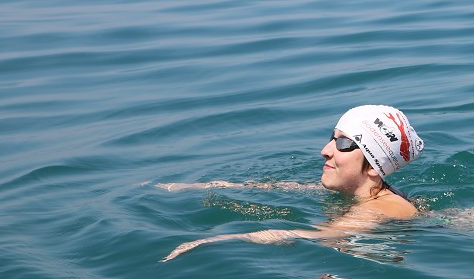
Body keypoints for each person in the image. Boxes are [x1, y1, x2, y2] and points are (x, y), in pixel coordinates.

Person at [162, 105, 423, 261]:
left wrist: (215, 240)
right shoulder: (363, 193)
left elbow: (322, 235)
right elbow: (284, 187)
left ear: (376, 167)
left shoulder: (377, 209)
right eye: (331, 138)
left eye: (343, 144)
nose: (325, 150)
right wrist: (205, 186)